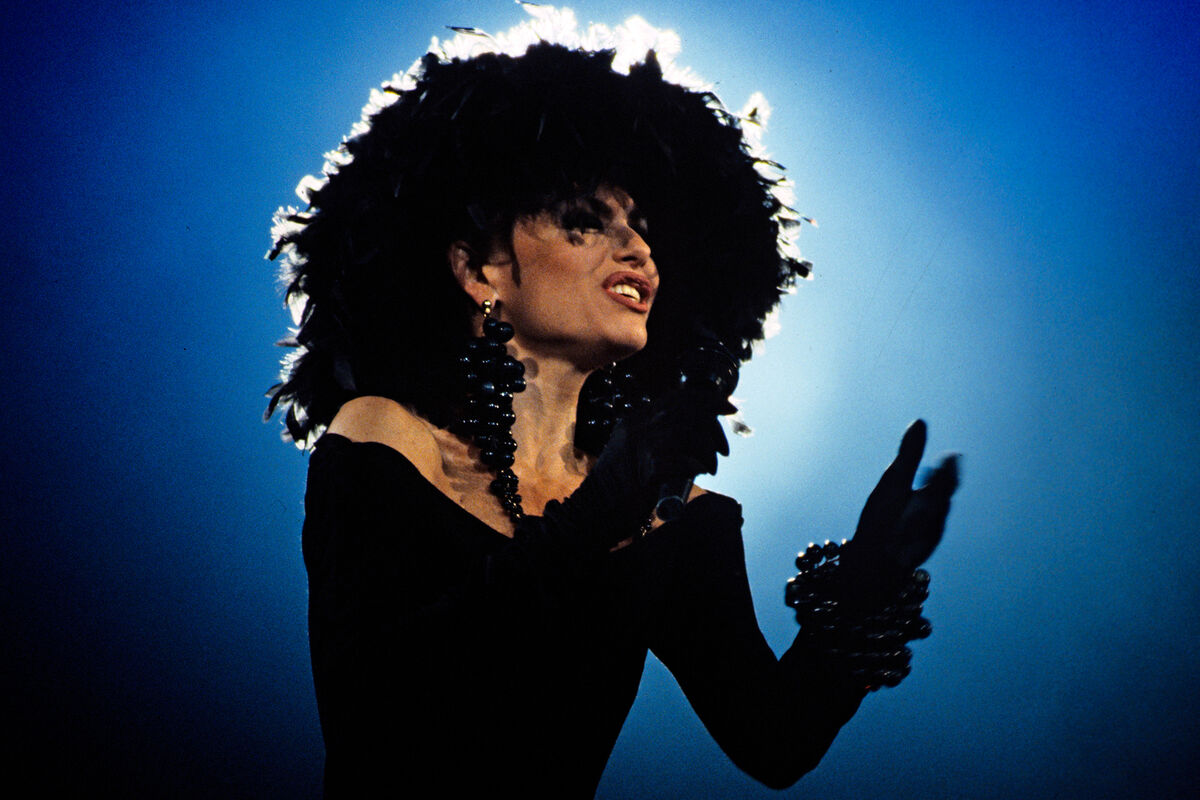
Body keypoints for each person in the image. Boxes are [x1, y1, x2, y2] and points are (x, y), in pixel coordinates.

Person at [266, 10, 959, 797]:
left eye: (643, 230)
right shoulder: (386, 439)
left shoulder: (669, 515)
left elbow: (775, 741)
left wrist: (869, 579)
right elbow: (376, 713)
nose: (638, 250)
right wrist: (596, 517)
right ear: (479, 271)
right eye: (585, 224)